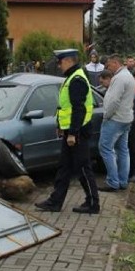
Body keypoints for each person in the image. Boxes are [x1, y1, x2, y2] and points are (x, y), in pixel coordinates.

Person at [35, 49, 100, 214]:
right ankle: (55, 202)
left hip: (78, 132)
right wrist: (61, 126)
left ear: (69, 61)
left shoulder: (76, 79)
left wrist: (72, 133)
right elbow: (65, 107)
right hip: (71, 131)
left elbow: (79, 110)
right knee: (64, 167)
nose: (58, 65)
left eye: (60, 62)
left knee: (83, 168)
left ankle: (93, 203)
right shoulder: (72, 77)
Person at [98, 53, 135, 192]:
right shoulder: (129, 76)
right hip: (126, 118)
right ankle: (122, 181)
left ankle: (113, 181)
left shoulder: (119, 78)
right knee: (122, 150)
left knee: (105, 148)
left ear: (115, 63)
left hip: (115, 119)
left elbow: (114, 100)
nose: (108, 68)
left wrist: (106, 115)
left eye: (109, 65)